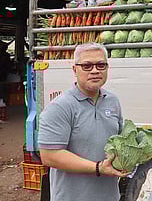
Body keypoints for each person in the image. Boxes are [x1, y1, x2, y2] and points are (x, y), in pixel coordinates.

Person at [39, 42, 128, 201]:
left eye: (101, 65)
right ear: (75, 70)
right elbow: (49, 155)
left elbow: (120, 143)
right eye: (87, 66)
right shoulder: (60, 107)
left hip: (109, 196)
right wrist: (98, 168)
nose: (95, 70)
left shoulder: (113, 101)